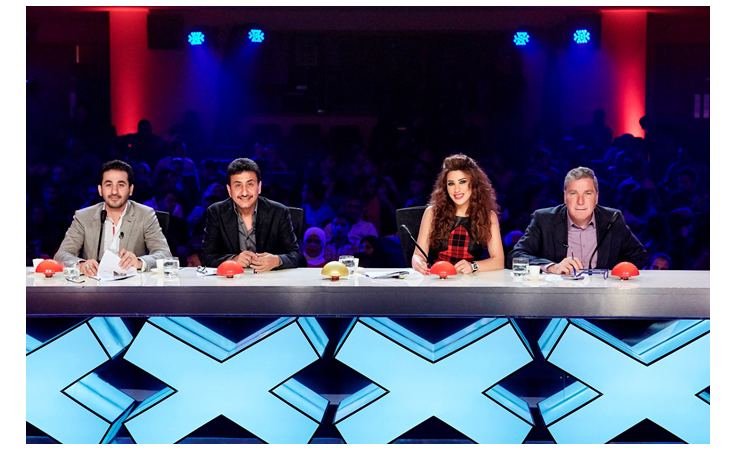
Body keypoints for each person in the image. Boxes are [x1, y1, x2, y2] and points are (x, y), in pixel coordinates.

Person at [508, 166, 648, 274]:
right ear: (565, 197)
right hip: (556, 296)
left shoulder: (613, 219)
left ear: (596, 197)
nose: (580, 201)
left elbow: (639, 256)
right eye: (573, 193)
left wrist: (612, 275)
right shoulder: (544, 220)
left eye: (588, 193)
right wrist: (552, 267)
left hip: (602, 296)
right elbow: (515, 257)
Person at [54, 160, 172, 276]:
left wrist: (140, 262)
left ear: (130, 189)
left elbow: (165, 254)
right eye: (108, 185)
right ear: (100, 190)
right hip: (93, 285)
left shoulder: (145, 215)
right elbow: (61, 255)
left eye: (121, 185)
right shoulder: (83, 216)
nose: (114, 191)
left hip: (132, 285)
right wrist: (81, 265)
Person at [200, 158, 305, 272]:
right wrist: (234, 259)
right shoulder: (216, 212)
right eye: (238, 185)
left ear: (259, 187)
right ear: (229, 190)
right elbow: (206, 257)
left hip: (269, 279)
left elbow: (296, 256)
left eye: (250, 184)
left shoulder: (279, 212)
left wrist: (277, 260)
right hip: (232, 279)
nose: (244, 192)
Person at [411, 154, 505, 275]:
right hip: (437, 279)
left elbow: (498, 261)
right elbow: (418, 255)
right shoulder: (432, 212)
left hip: (470, 280)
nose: (456, 189)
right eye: (451, 184)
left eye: (462, 182)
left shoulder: (488, 216)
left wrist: (473, 266)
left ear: (474, 184)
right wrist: (418, 262)